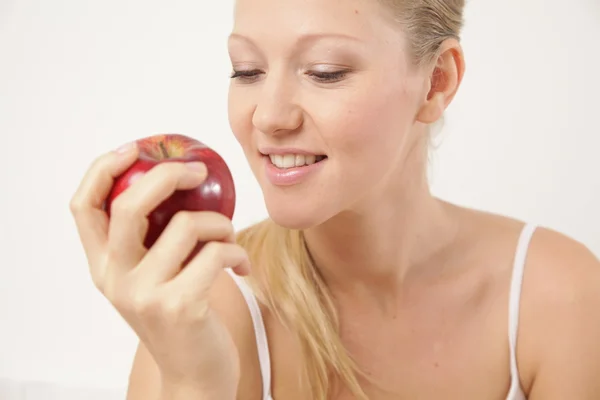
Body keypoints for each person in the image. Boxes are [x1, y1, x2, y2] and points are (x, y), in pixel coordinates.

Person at [69, 0, 600, 399]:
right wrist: (196, 381)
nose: (269, 116)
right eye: (247, 70)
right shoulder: (205, 314)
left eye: (325, 72)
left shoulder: (555, 295)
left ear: (436, 82)